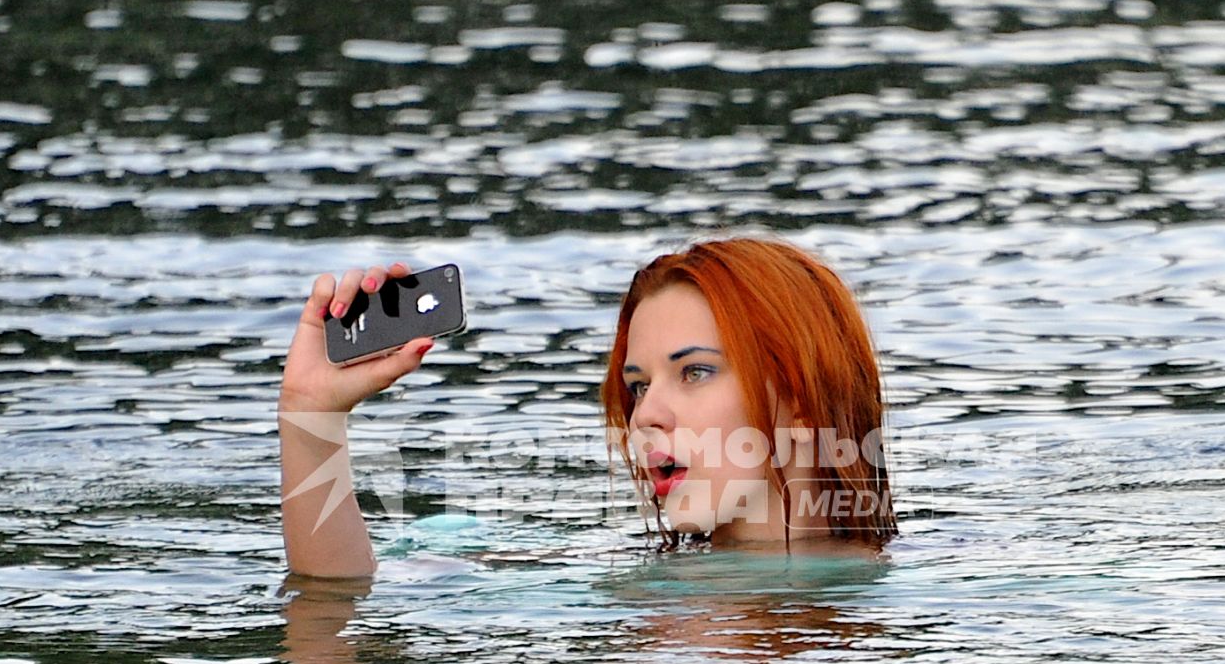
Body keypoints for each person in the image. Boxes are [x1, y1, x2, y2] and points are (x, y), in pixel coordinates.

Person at [277, 237, 897, 579]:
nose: (646, 415)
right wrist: (310, 420)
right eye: (638, 386)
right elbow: (334, 610)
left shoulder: (954, 588)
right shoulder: (624, 588)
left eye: (696, 371)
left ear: (797, 389)